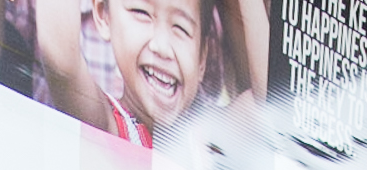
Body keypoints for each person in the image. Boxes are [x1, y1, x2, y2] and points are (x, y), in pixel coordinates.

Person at [26, 0, 265, 147]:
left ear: (203, 58)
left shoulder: (206, 143)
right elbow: (61, 61)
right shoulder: (108, 123)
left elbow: (269, 99)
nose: (161, 47)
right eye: (142, 13)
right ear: (104, 16)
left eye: (180, 28)